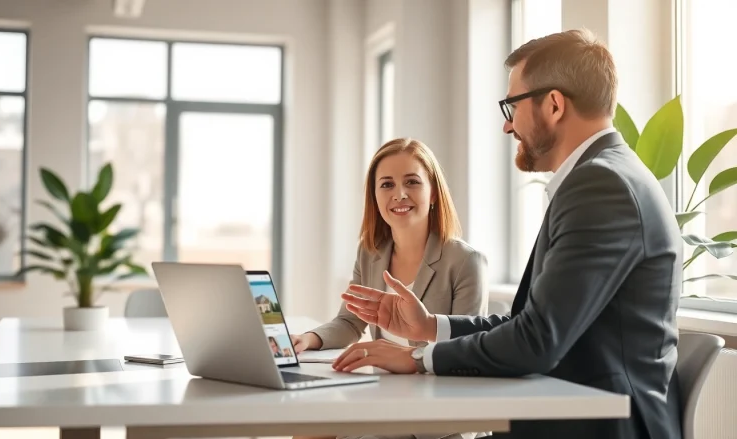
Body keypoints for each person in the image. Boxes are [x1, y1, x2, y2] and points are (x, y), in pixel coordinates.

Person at [333, 29, 683, 439]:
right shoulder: (606, 176)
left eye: (512, 107)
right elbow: (530, 323)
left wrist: (419, 359)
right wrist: (431, 326)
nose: (507, 125)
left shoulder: (600, 187)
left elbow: (537, 341)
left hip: (596, 427)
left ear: (553, 104)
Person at [292, 137, 488, 439]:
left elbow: (466, 354)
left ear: (433, 191)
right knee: (309, 426)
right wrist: (310, 338)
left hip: (440, 414)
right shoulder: (370, 252)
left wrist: (400, 356)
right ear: (374, 195)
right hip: (385, 397)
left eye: (412, 182)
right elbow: (350, 321)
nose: (399, 194)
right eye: (386, 185)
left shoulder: (465, 261)